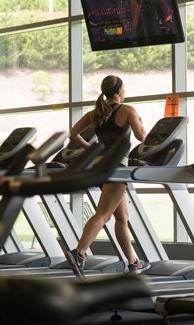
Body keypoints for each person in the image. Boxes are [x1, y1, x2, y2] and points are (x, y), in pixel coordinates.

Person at [65, 75, 151, 279]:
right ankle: (79, 253)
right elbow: (141, 138)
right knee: (103, 214)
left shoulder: (96, 113)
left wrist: (92, 149)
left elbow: (72, 134)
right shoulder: (128, 110)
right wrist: (141, 124)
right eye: (124, 88)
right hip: (116, 167)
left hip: (101, 166)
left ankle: (133, 262)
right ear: (119, 91)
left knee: (122, 217)